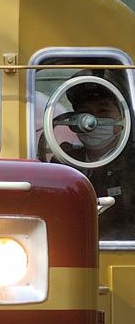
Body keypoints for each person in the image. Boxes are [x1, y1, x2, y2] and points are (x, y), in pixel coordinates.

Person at [50, 78, 135, 240]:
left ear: (123, 117)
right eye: (84, 113)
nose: (91, 122)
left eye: (103, 111)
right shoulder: (62, 165)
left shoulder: (131, 166)